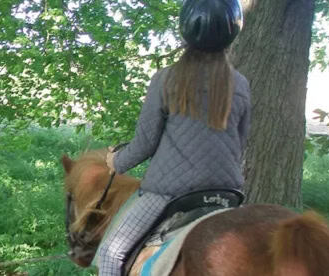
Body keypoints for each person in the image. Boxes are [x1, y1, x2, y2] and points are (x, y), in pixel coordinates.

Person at [99, 0, 249, 275]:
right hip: (227, 194)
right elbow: (240, 142)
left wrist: (115, 162)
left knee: (110, 256)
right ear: (232, 32)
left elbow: (145, 143)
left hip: (171, 194)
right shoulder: (240, 84)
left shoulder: (166, 79)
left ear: (185, 30)